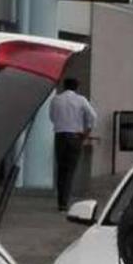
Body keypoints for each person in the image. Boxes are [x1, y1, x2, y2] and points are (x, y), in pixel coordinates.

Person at [50, 78, 97, 212]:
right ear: (77, 87)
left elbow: (52, 117)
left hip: (60, 136)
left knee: (61, 169)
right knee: (70, 169)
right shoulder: (81, 100)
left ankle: (61, 201)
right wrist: (86, 132)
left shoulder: (56, 99)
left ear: (64, 86)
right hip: (75, 136)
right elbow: (93, 116)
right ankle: (65, 200)